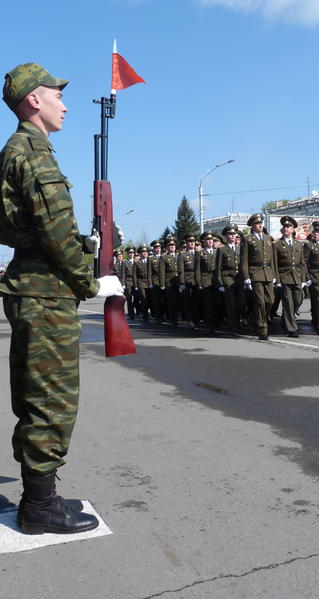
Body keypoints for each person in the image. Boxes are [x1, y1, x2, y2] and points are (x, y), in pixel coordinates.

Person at [0, 62, 123, 534]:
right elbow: (53, 231)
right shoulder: (33, 153)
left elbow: (34, 226)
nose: (65, 105)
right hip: (45, 291)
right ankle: (40, 507)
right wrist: (91, 282)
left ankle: (41, 496)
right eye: (57, 95)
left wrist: (85, 245)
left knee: (37, 394)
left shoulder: (20, 150)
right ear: (34, 99)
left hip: (35, 285)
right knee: (51, 398)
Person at [241, 213, 278, 340]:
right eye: (257, 223)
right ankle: (262, 329)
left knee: (270, 300)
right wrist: (246, 277)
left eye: (261, 223)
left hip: (268, 272)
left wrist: (274, 274)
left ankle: (258, 317)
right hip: (255, 273)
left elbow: (272, 259)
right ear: (252, 226)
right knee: (260, 302)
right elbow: (244, 260)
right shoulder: (248, 239)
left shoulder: (268, 238)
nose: (260, 225)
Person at [273, 216, 307, 337]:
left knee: (297, 300)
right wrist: (277, 280)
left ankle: (285, 319)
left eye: (288, 227)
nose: (286, 228)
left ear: (293, 229)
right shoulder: (277, 244)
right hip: (284, 276)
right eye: (284, 227)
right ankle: (291, 329)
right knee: (288, 303)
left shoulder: (298, 244)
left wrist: (304, 279)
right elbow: (275, 263)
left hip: (297, 276)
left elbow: (302, 262)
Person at [215, 225, 245, 336]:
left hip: (239, 279)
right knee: (231, 304)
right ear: (226, 236)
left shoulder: (240, 249)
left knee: (241, 303)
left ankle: (238, 320)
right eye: (230, 234)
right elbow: (218, 268)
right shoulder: (222, 249)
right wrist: (220, 283)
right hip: (227, 278)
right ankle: (234, 326)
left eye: (234, 234)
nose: (233, 236)